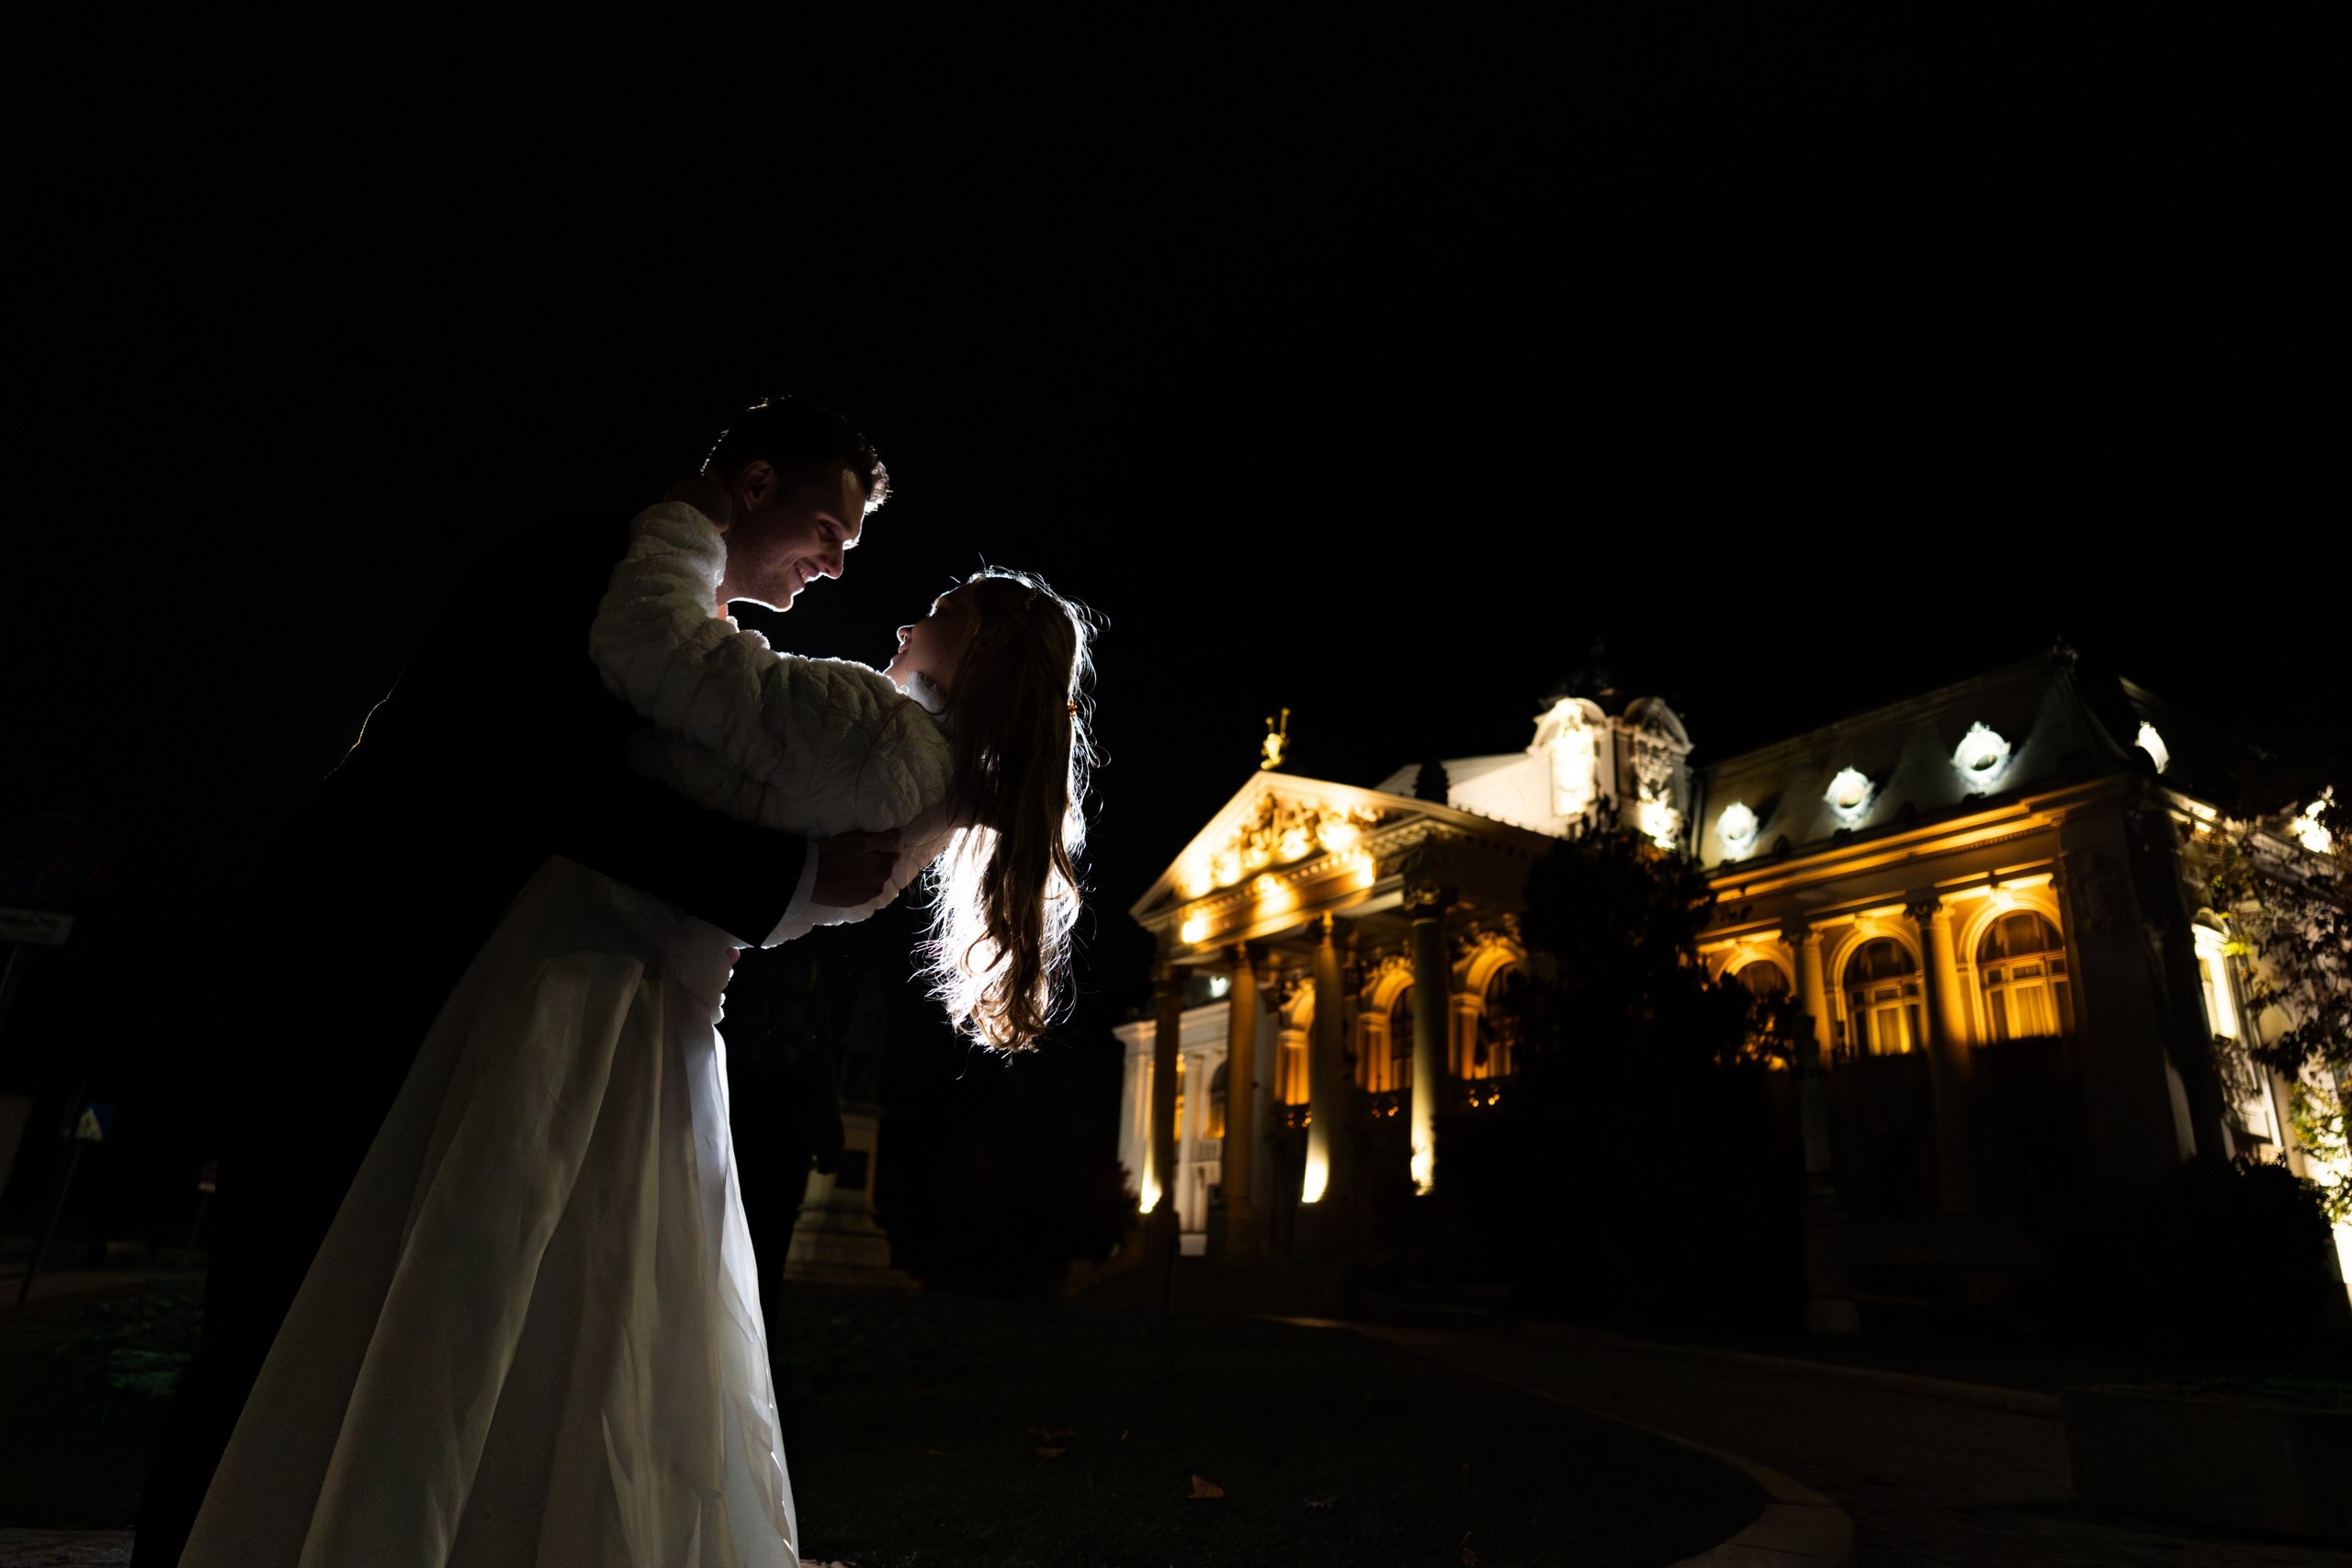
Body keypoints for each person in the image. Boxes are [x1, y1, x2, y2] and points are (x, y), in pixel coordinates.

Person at [170, 486, 1095, 1563]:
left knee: (485, 1275)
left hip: (583, 983)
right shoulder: (929, 793)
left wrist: (681, 530)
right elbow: (777, 876)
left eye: (937, 613)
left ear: (979, 652)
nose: (899, 618)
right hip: (666, 1023)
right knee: (607, 1313)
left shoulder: (879, 731)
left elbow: (665, 659)